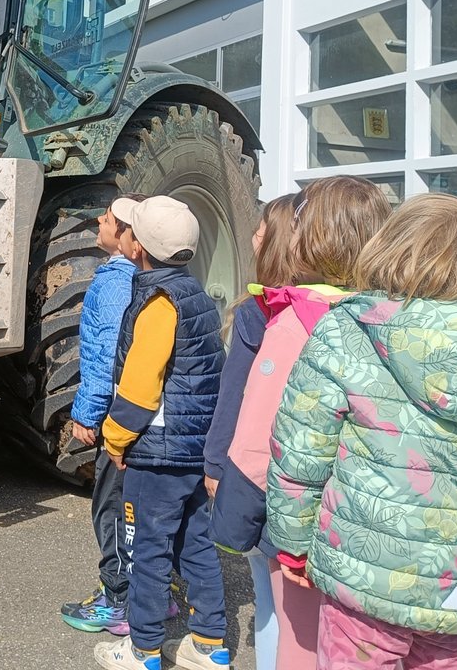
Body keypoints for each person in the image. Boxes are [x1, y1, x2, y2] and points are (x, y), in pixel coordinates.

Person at [266, 193, 457, 669]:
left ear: (394, 248)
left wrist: (293, 542)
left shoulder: (350, 331)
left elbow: (301, 450)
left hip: (367, 579)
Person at [208, 175, 390, 670]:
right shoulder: (393, 318)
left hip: (296, 519)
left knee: (292, 629)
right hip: (371, 518)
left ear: (315, 237)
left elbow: (256, 432)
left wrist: (234, 510)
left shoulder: (292, 317)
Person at [92, 196, 229, 670]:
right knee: (196, 543)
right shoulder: (198, 298)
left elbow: (140, 388)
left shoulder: (158, 303)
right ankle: (210, 644)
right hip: (193, 450)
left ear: (138, 246)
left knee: (144, 550)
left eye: (129, 229)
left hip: (156, 452)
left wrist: (115, 437)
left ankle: (143, 648)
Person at [201, 193, 299, 670]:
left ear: (278, 244)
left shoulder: (258, 312)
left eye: (261, 229)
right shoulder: (345, 310)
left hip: (263, 474)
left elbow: (234, 395)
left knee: (269, 594)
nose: (253, 236)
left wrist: (216, 464)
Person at [61, 195, 143, 635]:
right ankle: (153, 594)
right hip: (146, 414)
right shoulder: (151, 279)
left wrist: (87, 414)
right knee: (141, 508)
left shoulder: (114, 283)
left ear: (128, 234)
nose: (99, 219)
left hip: (116, 412)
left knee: (112, 509)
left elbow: (105, 356)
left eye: (109, 218)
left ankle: (117, 601)